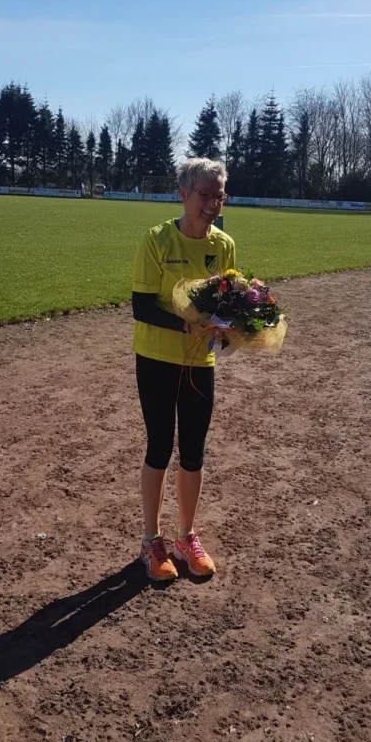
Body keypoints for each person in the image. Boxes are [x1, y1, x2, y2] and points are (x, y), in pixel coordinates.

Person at [131, 158, 235, 581]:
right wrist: (186, 323)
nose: (212, 203)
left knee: (193, 451)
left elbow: (224, 303)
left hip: (199, 361)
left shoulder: (224, 245)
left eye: (219, 195)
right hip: (156, 358)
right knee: (160, 446)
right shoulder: (156, 240)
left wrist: (232, 329)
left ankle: (186, 537)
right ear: (183, 194)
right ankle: (151, 541)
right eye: (205, 195)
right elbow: (141, 307)